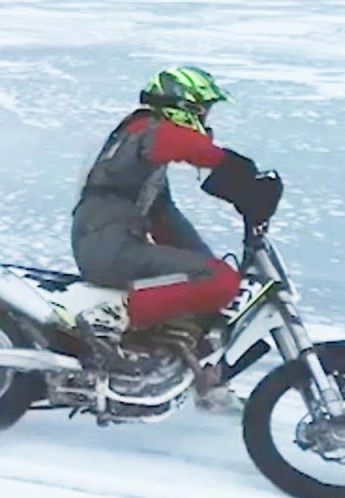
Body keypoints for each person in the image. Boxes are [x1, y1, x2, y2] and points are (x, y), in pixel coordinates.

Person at [70, 66, 279, 409]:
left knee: (215, 281)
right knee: (218, 280)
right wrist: (236, 166)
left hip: (113, 241)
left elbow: (163, 217)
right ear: (184, 106)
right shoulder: (145, 129)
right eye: (203, 109)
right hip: (107, 244)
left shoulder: (146, 159)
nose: (207, 117)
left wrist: (206, 262)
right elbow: (186, 145)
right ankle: (110, 316)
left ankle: (197, 374)